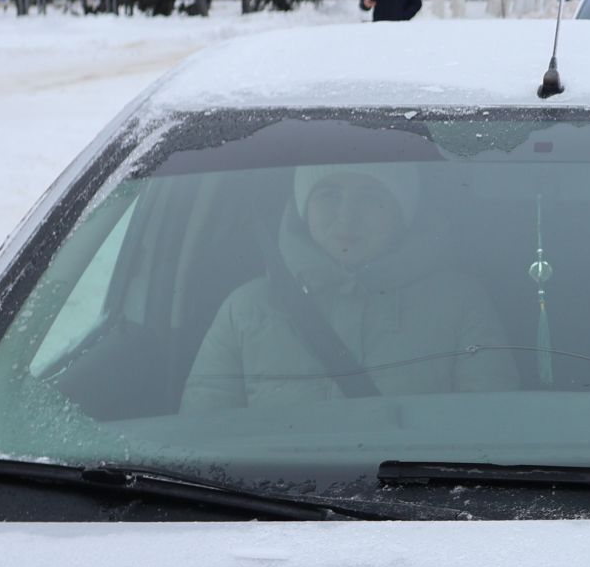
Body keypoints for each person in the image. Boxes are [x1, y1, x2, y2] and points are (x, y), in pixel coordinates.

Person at [183, 163, 516, 410]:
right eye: (328, 195)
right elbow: (201, 440)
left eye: (371, 198)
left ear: (402, 212)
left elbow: (492, 433)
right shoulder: (245, 310)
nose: (346, 216)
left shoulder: (459, 303)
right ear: (303, 208)